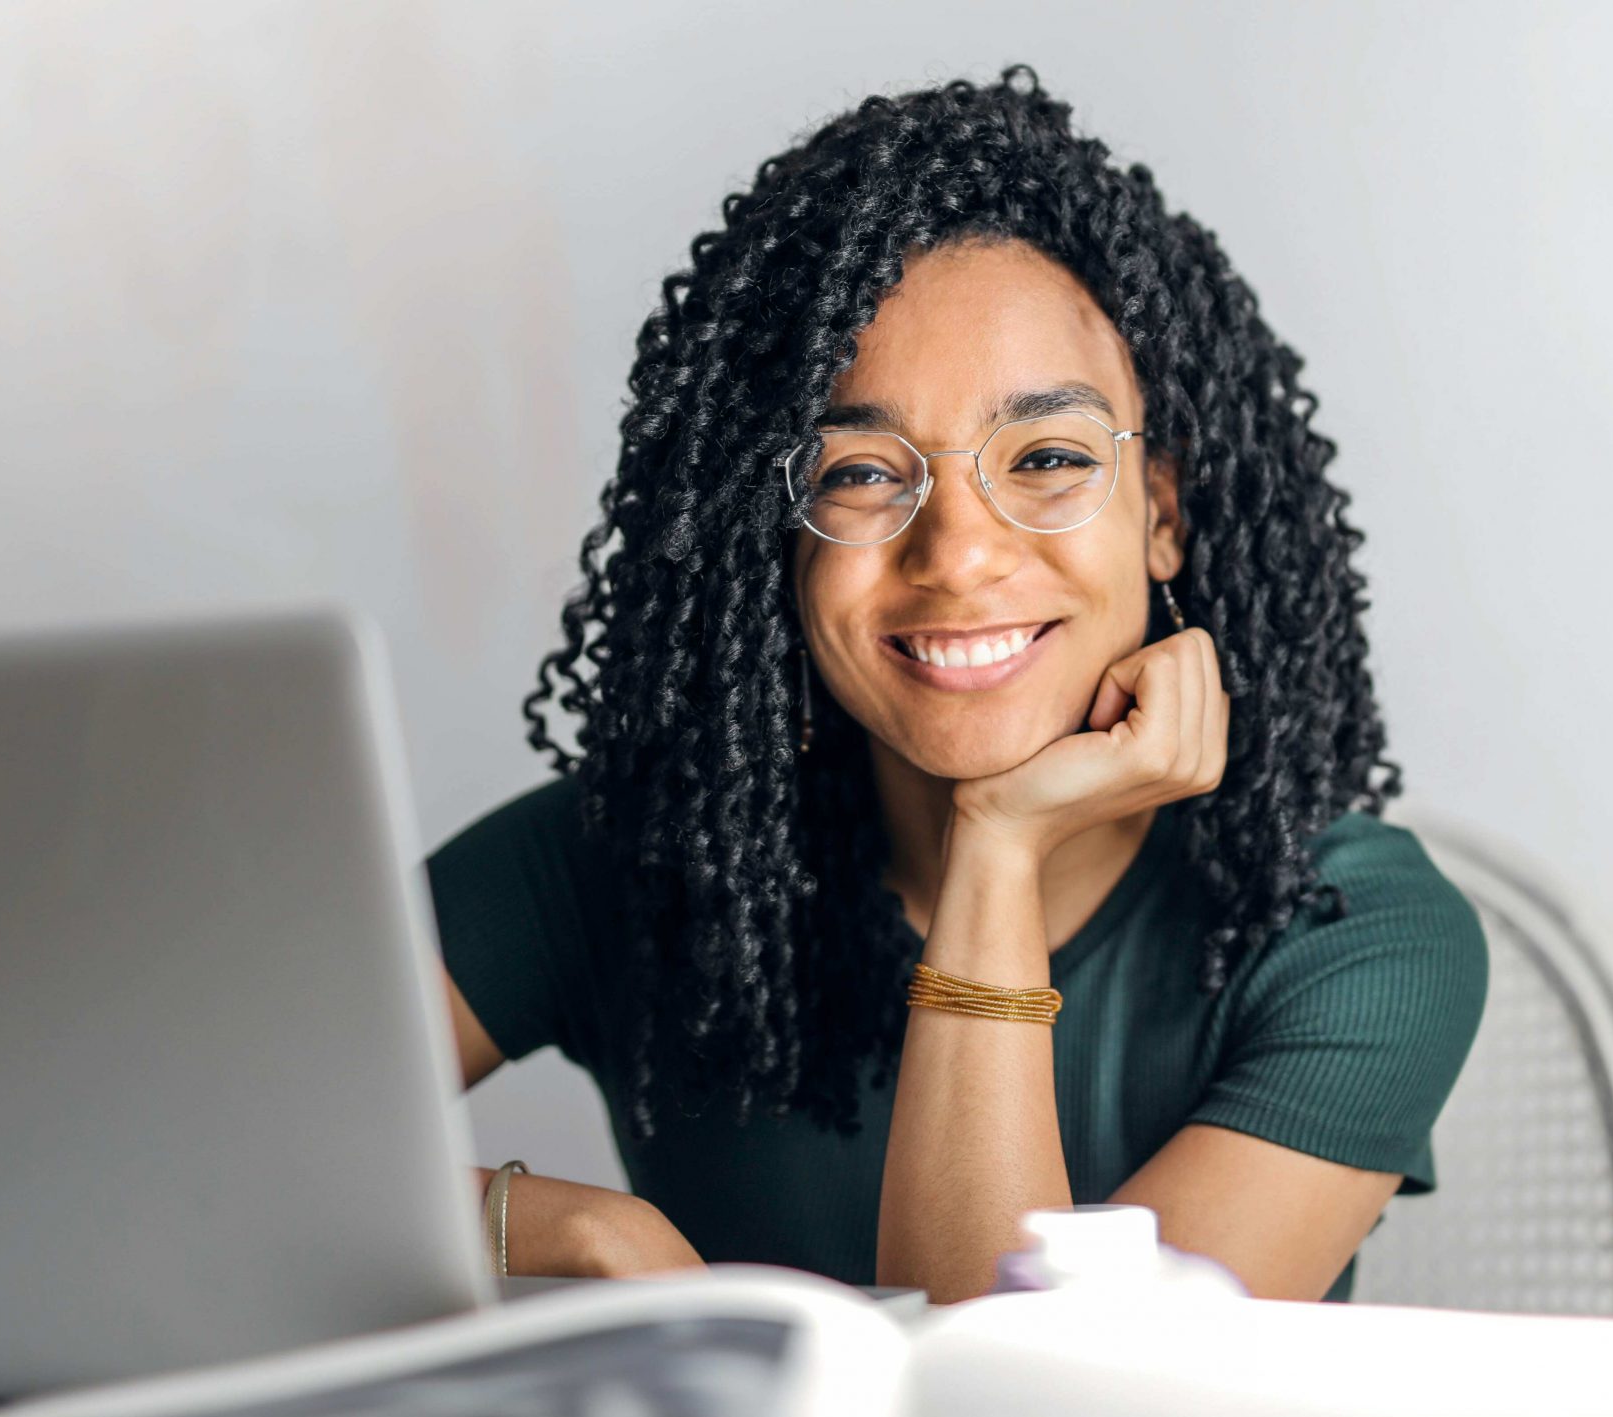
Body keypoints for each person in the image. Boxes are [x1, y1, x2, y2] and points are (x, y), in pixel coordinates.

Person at [428, 67, 1487, 1306]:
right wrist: (571, 1228)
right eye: (860, 473)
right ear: (775, 536)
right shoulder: (628, 857)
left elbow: (1027, 1394)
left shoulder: (1350, 931)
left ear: (1161, 513)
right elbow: (222, 1137)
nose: (959, 553)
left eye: (1046, 458)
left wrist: (998, 846)